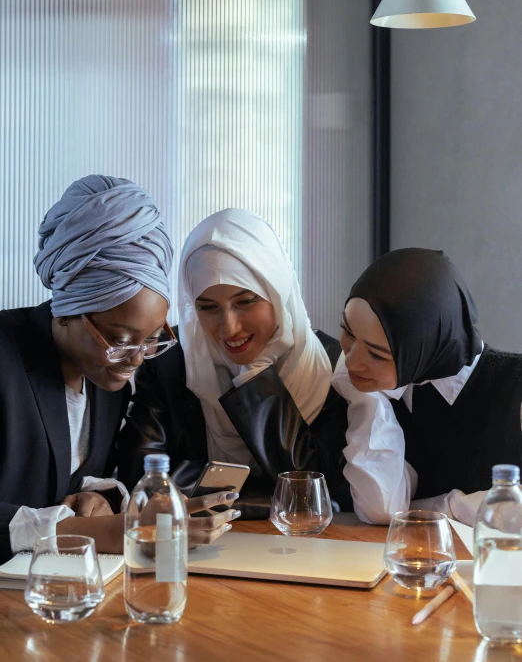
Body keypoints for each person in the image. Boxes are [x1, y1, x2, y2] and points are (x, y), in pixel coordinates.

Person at [0, 175, 236, 564]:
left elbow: (69, 481)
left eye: (150, 338)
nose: (138, 358)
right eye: (121, 338)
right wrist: (90, 531)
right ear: (67, 312)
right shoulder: (8, 357)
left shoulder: (106, 373)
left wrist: (97, 498)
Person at [119, 208, 352, 516]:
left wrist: (256, 383)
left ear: (277, 292)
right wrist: (269, 498)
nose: (228, 328)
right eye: (208, 307)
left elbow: (326, 494)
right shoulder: (170, 360)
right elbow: (141, 484)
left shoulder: (334, 367)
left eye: (245, 302)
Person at [333, 247, 522, 525]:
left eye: (376, 354)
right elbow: (381, 510)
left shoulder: (514, 386)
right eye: (348, 331)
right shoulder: (385, 391)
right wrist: (367, 399)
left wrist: (447, 506)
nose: (351, 361)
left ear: (425, 349)